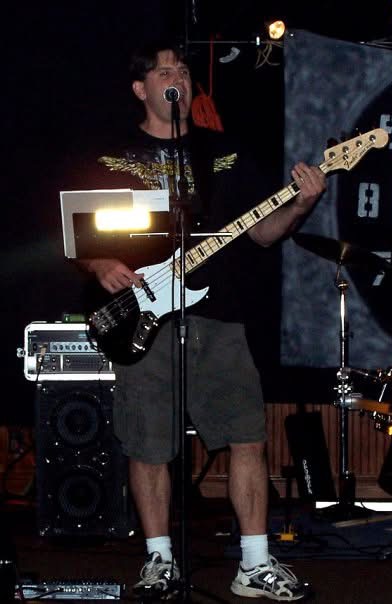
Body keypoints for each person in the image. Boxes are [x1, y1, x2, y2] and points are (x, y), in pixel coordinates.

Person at [77, 40, 326, 601]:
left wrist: (301, 203)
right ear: (141, 88)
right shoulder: (112, 157)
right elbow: (80, 238)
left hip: (219, 316)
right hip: (143, 314)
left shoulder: (224, 153)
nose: (178, 79)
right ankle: (159, 561)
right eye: (165, 71)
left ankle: (255, 564)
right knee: (148, 444)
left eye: (185, 71)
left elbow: (262, 232)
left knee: (246, 436)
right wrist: (100, 264)